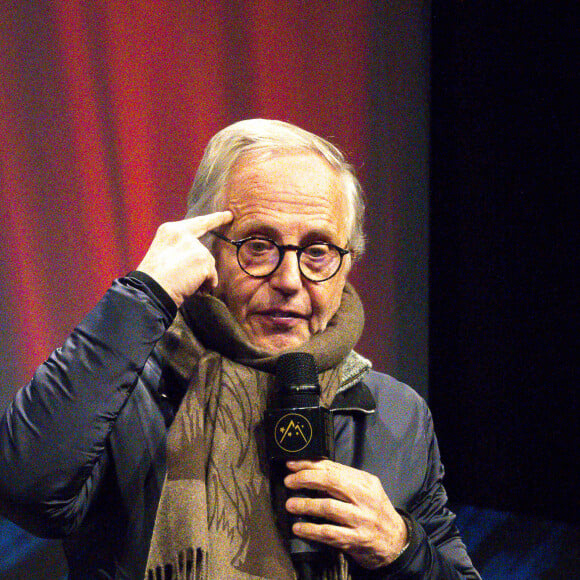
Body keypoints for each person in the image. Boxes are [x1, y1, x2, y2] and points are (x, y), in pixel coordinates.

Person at [0, 119, 479, 579]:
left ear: (347, 264)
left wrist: (402, 547)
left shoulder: (395, 413)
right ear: (206, 248)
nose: (289, 281)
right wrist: (143, 294)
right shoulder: (127, 388)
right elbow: (24, 486)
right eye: (258, 245)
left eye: (317, 251)